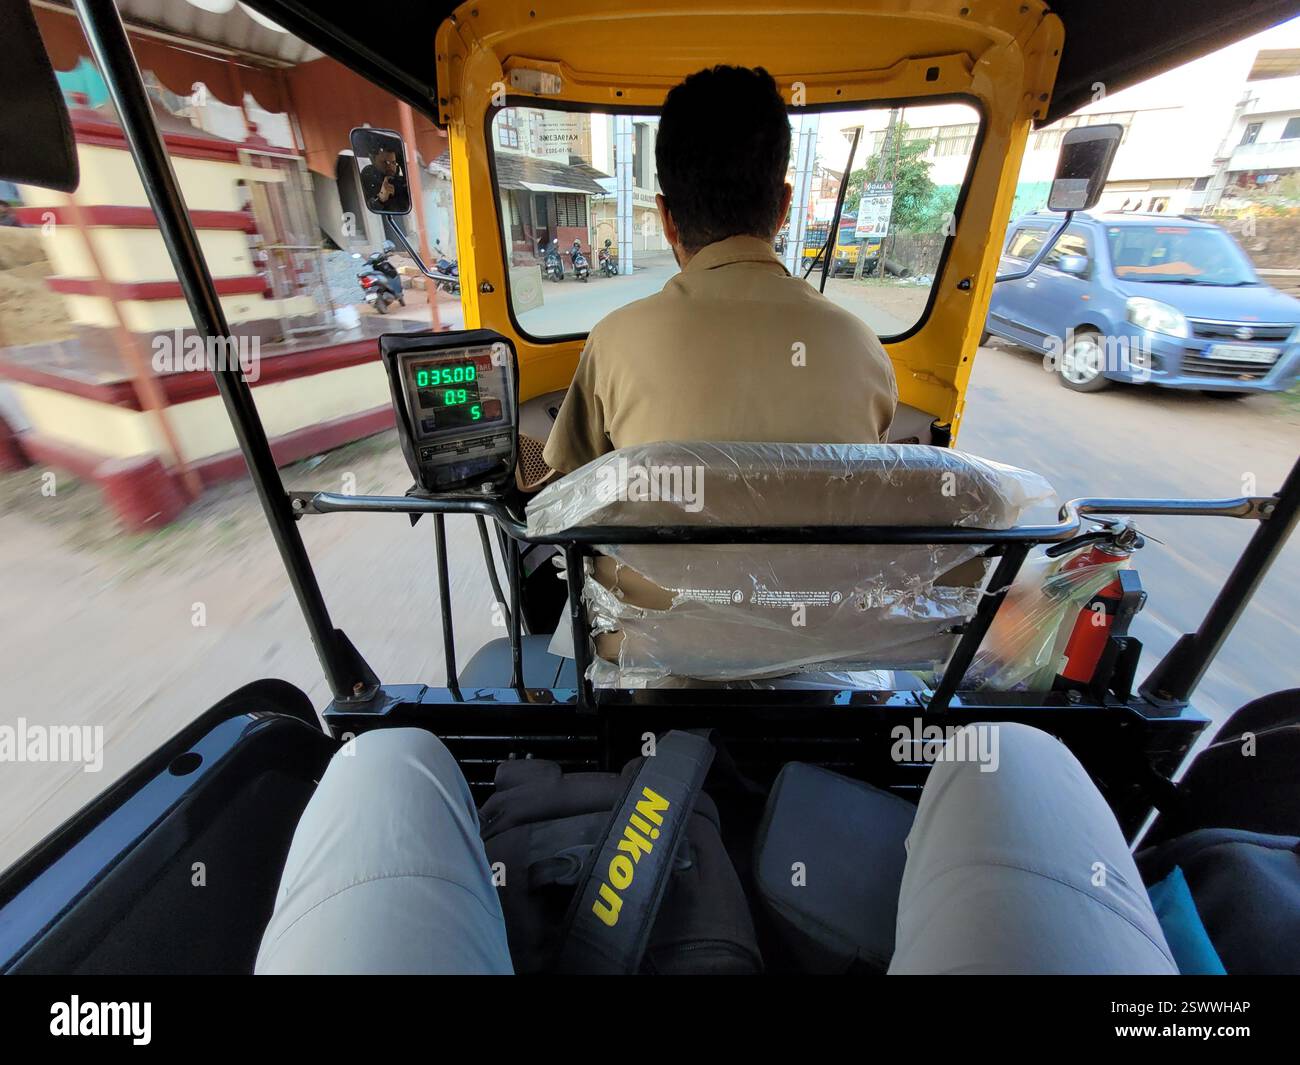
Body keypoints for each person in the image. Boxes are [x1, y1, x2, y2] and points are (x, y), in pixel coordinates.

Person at [255, 724, 1174, 974]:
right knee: (1013, 748)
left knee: (387, 757)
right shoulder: (858, 352)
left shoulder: (618, 341)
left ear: (666, 230)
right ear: (784, 229)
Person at [544, 65, 897, 475]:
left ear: (666, 218)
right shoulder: (863, 349)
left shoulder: (613, 344)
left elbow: (571, 488)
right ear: (784, 208)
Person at [359, 140, 408, 213]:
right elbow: (365, 209)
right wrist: (380, 199)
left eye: (393, 163)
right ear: (373, 160)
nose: (390, 167)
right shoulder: (367, 181)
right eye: (385, 162)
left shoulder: (402, 182)